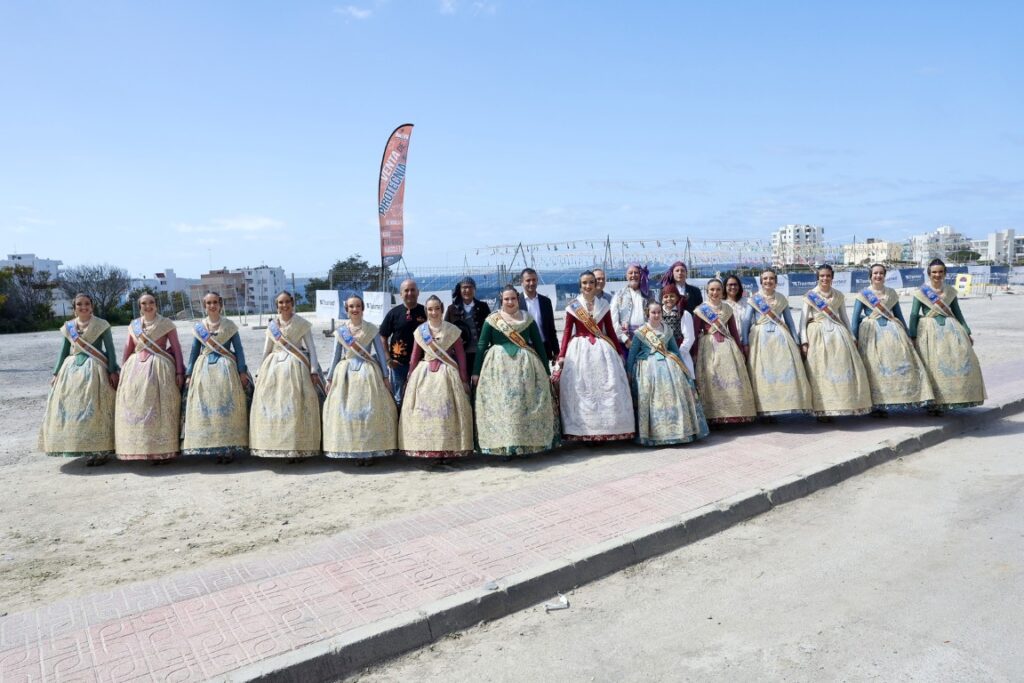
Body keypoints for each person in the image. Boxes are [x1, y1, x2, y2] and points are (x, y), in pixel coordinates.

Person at [473, 286, 560, 456]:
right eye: (507, 299)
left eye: (513, 298)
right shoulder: (492, 320)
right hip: (498, 368)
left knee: (523, 406)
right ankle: (506, 446)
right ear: (501, 299)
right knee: (503, 406)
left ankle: (527, 444)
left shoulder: (527, 319)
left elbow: (538, 344)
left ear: (518, 299)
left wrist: (545, 370)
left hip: (525, 368)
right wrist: (476, 372)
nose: (510, 302)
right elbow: (482, 345)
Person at [38, 293, 119, 466]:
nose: (84, 307)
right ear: (74, 307)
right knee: (73, 408)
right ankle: (80, 445)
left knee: (95, 409)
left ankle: (101, 450)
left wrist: (113, 370)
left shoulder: (101, 324)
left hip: (96, 369)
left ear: (92, 306)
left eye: (87, 304)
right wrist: (56, 372)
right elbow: (64, 349)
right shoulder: (69, 327)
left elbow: (110, 349)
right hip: (71, 370)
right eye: (79, 304)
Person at [556, 271, 634, 442]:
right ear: (580, 285)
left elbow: (611, 331)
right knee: (582, 389)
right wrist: (562, 355)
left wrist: (619, 353)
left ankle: (607, 429)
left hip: (602, 349)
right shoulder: (573, 306)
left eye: (591, 282)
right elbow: (568, 331)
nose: (588, 286)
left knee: (607, 387)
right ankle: (584, 431)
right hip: (579, 351)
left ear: (596, 284)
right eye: (584, 282)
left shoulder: (604, 304)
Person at [851, 264, 934, 416]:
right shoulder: (863, 294)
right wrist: (853, 337)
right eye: (875, 273)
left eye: (881, 273)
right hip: (871, 334)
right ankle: (877, 405)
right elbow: (855, 318)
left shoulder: (891, 293)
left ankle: (897, 398)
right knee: (874, 368)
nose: (878, 276)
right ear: (870, 275)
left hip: (894, 333)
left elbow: (899, 315)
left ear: (885, 275)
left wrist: (908, 334)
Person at [323, 295, 397, 463]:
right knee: (347, 413)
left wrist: (385, 377)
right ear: (347, 310)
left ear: (363, 309)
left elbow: (379, 353)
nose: (355, 309)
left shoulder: (372, 329)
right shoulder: (341, 332)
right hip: (345, 374)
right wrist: (330, 378)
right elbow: (335, 356)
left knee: (370, 413)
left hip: (369, 372)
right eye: (351, 307)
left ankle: (370, 451)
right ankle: (353, 450)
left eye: (358, 306)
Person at [399, 295, 474, 460]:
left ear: (442, 308)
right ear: (426, 311)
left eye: (437, 309)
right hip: (424, 374)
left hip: (448, 374)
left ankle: (447, 450)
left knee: (447, 411)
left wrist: (463, 379)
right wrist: (410, 377)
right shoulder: (420, 332)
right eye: (430, 309)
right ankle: (428, 449)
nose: (434, 312)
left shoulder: (452, 330)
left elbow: (461, 357)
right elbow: (414, 357)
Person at [250, 290, 323, 460]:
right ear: (277, 306)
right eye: (280, 303)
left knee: (296, 407)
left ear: (292, 303)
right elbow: (266, 350)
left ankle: (298, 447)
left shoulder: (302, 323)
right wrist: (260, 371)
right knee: (275, 407)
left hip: (296, 368)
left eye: (287, 302)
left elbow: (311, 348)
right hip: (273, 368)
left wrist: (313, 369)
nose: (284, 305)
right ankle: (278, 446)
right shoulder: (272, 327)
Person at [908, 258, 986, 413]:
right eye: (934, 272)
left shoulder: (950, 291)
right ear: (929, 274)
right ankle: (931, 403)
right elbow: (913, 316)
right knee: (931, 367)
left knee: (953, 363)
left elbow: (957, 312)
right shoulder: (920, 293)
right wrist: (913, 335)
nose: (937, 275)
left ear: (945, 273)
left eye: (940, 272)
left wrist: (967, 331)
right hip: (928, 331)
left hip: (951, 331)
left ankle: (948, 400)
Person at [626, 302, 708, 446]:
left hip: (670, 367)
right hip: (648, 367)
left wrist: (683, 368)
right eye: (653, 312)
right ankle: (655, 433)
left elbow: (675, 351)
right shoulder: (641, 332)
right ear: (647, 313)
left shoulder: (667, 330)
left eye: (659, 312)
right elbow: (632, 354)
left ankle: (679, 431)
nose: (657, 315)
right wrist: (628, 373)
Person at [181, 291, 251, 462]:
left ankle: (228, 447)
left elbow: (239, 349)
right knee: (206, 408)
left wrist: (242, 371)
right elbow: (194, 352)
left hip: (227, 370)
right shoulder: (199, 328)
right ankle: (210, 444)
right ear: (205, 306)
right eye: (209, 303)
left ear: (220, 305)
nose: (212, 306)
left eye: (215, 302)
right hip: (203, 369)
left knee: (227, 407)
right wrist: (189, 374)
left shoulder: (230, 325)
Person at [115, 293, 185, 462]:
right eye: (144, 303)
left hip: (160, 369)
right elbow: (129, 349)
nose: (148, 306)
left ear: (156, 305)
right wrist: (123, 370)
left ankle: (163, 451)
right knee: (138, 408)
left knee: (160, 409)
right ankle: (140, 448)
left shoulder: (166, 323)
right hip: (135, 370)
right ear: (140, 306)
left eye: (151, 302)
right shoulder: (134, 326)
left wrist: (179, 371)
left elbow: (176, 348)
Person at [799, 265, 872, 420]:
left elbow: (844, 316)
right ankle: (821, 410)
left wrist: (852, 336)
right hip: (817, 334)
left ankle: (839, 405)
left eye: (828, 276)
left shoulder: (838, 295)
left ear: (832, 277)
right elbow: (803, 320)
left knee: (839, 369)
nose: (825, 279)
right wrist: (804, 341)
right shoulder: (810, 295)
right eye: (822, 276)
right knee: (820, 372)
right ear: (818, 277)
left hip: (838, 335)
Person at [741, 269, 812, 418]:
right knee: (763, 374)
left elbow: (790, 322)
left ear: (776, 281)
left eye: (771, 278)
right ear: (761, 282)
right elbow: (746, 321)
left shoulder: (781, 299)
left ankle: (782, 405)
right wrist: (745, 342)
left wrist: (797, 342)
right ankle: (765, 411)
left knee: (782, 372)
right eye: (765, 279)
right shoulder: (754, 299)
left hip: (781, 339)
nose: (768, 281)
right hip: (760, 339)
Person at [692, 279, 756, 425]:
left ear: (722, 291)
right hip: (708, 347)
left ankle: (735, 414)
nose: (715, 293)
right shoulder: (700, 310)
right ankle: (714, 416)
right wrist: (695, 353)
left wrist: (739, 350)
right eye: (712, 290)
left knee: (731, 379)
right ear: (707, 292)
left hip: (728, 347)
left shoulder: (727, 308)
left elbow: (733, 330)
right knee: (712, 381)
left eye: (718, 290)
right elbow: (695, 333)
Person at [380, 279, 427, 403]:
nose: (409, 293)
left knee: (419, 397)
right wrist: (388, 359)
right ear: (401, 294)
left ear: (418, 292)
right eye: (406, 290)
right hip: (398, 365)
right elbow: (382, 337)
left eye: (412, 290)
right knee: (399, 399)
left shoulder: (426, 312)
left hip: (421, 364)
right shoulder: (393, 314)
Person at [444, 276, 491, 378]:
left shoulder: (483, 307)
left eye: (470, 287)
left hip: (479, 354)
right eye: (464, 287)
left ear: (474, 289)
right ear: (460, 290)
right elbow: (445, 330)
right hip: (460, 354)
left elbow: (490, 329)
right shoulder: (452, 309)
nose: (467, 290)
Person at [518, 268, 559, 363]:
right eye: (528, 280)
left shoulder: (546, 302)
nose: (531, 283)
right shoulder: (516, 302)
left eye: (534, 280)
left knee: (544, 377)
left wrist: (557, 352)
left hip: (544, 349)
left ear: (537, 280)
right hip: (524, 349)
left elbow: (551, 329)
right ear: (522, 282)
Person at [610, 263, 652, 349]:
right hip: (626, 341)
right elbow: (613, 321)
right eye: (630, 273)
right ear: (626, 276)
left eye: (636, 272)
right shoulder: (619, 295)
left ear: (640, 275)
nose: (633, 275)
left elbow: (655, 316)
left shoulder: (649, 294)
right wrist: (625, 339)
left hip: (647, 339)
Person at [660, 283, 697, 373]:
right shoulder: (658, 313)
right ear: (661, 299)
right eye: (666, 296)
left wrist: (679, 353)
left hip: (679, 350)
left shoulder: (683, 314)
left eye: (672, 296)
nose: (669, 299)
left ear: (677, 297)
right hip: (661, 351)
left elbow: (690, 337)